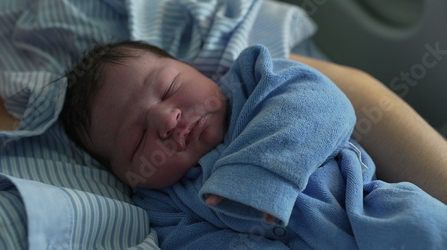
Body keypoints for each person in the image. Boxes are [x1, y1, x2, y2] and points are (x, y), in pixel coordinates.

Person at [62, 40, 447, 248]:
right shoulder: (161, 204)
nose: (165, 120)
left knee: (426, 226)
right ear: (129, 176)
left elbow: (323, 105)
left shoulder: (255, 81)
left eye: (169, 88)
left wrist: (258, 178)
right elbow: (196, 242)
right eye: (137, 138)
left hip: (372, 213)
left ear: (195, 68)